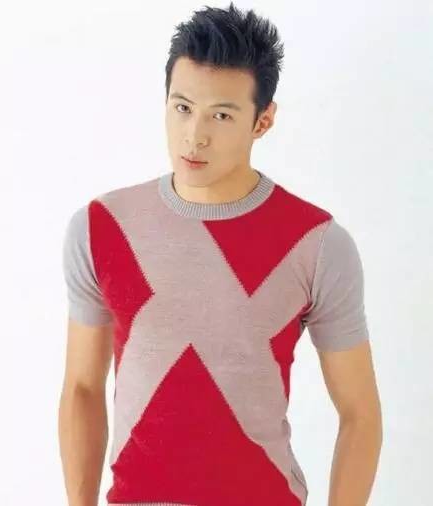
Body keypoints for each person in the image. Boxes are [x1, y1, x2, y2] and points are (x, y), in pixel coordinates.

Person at [58, 3, 382, 505]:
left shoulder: (317, 244)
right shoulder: (100, 227)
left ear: (263, 121)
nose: (195, 135)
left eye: (222, 115)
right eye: (182, 107)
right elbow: (82, 387)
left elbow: (360, 413)